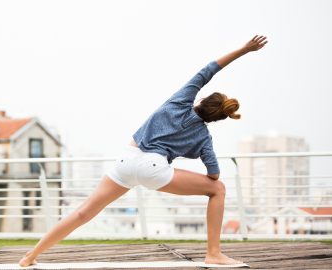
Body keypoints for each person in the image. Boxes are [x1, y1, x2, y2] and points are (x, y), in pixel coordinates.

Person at [19, 35, 268, 267]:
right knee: (219, 190)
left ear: (200, 100)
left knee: (84, 212)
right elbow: (213, 174)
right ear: (216, 119)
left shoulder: (180, 100)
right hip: (154, 169)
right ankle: (213, 253)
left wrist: (244, 49)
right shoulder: (204, 137)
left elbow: (209, 69)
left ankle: (31, 255)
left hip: (126, 160)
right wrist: (204, 164)